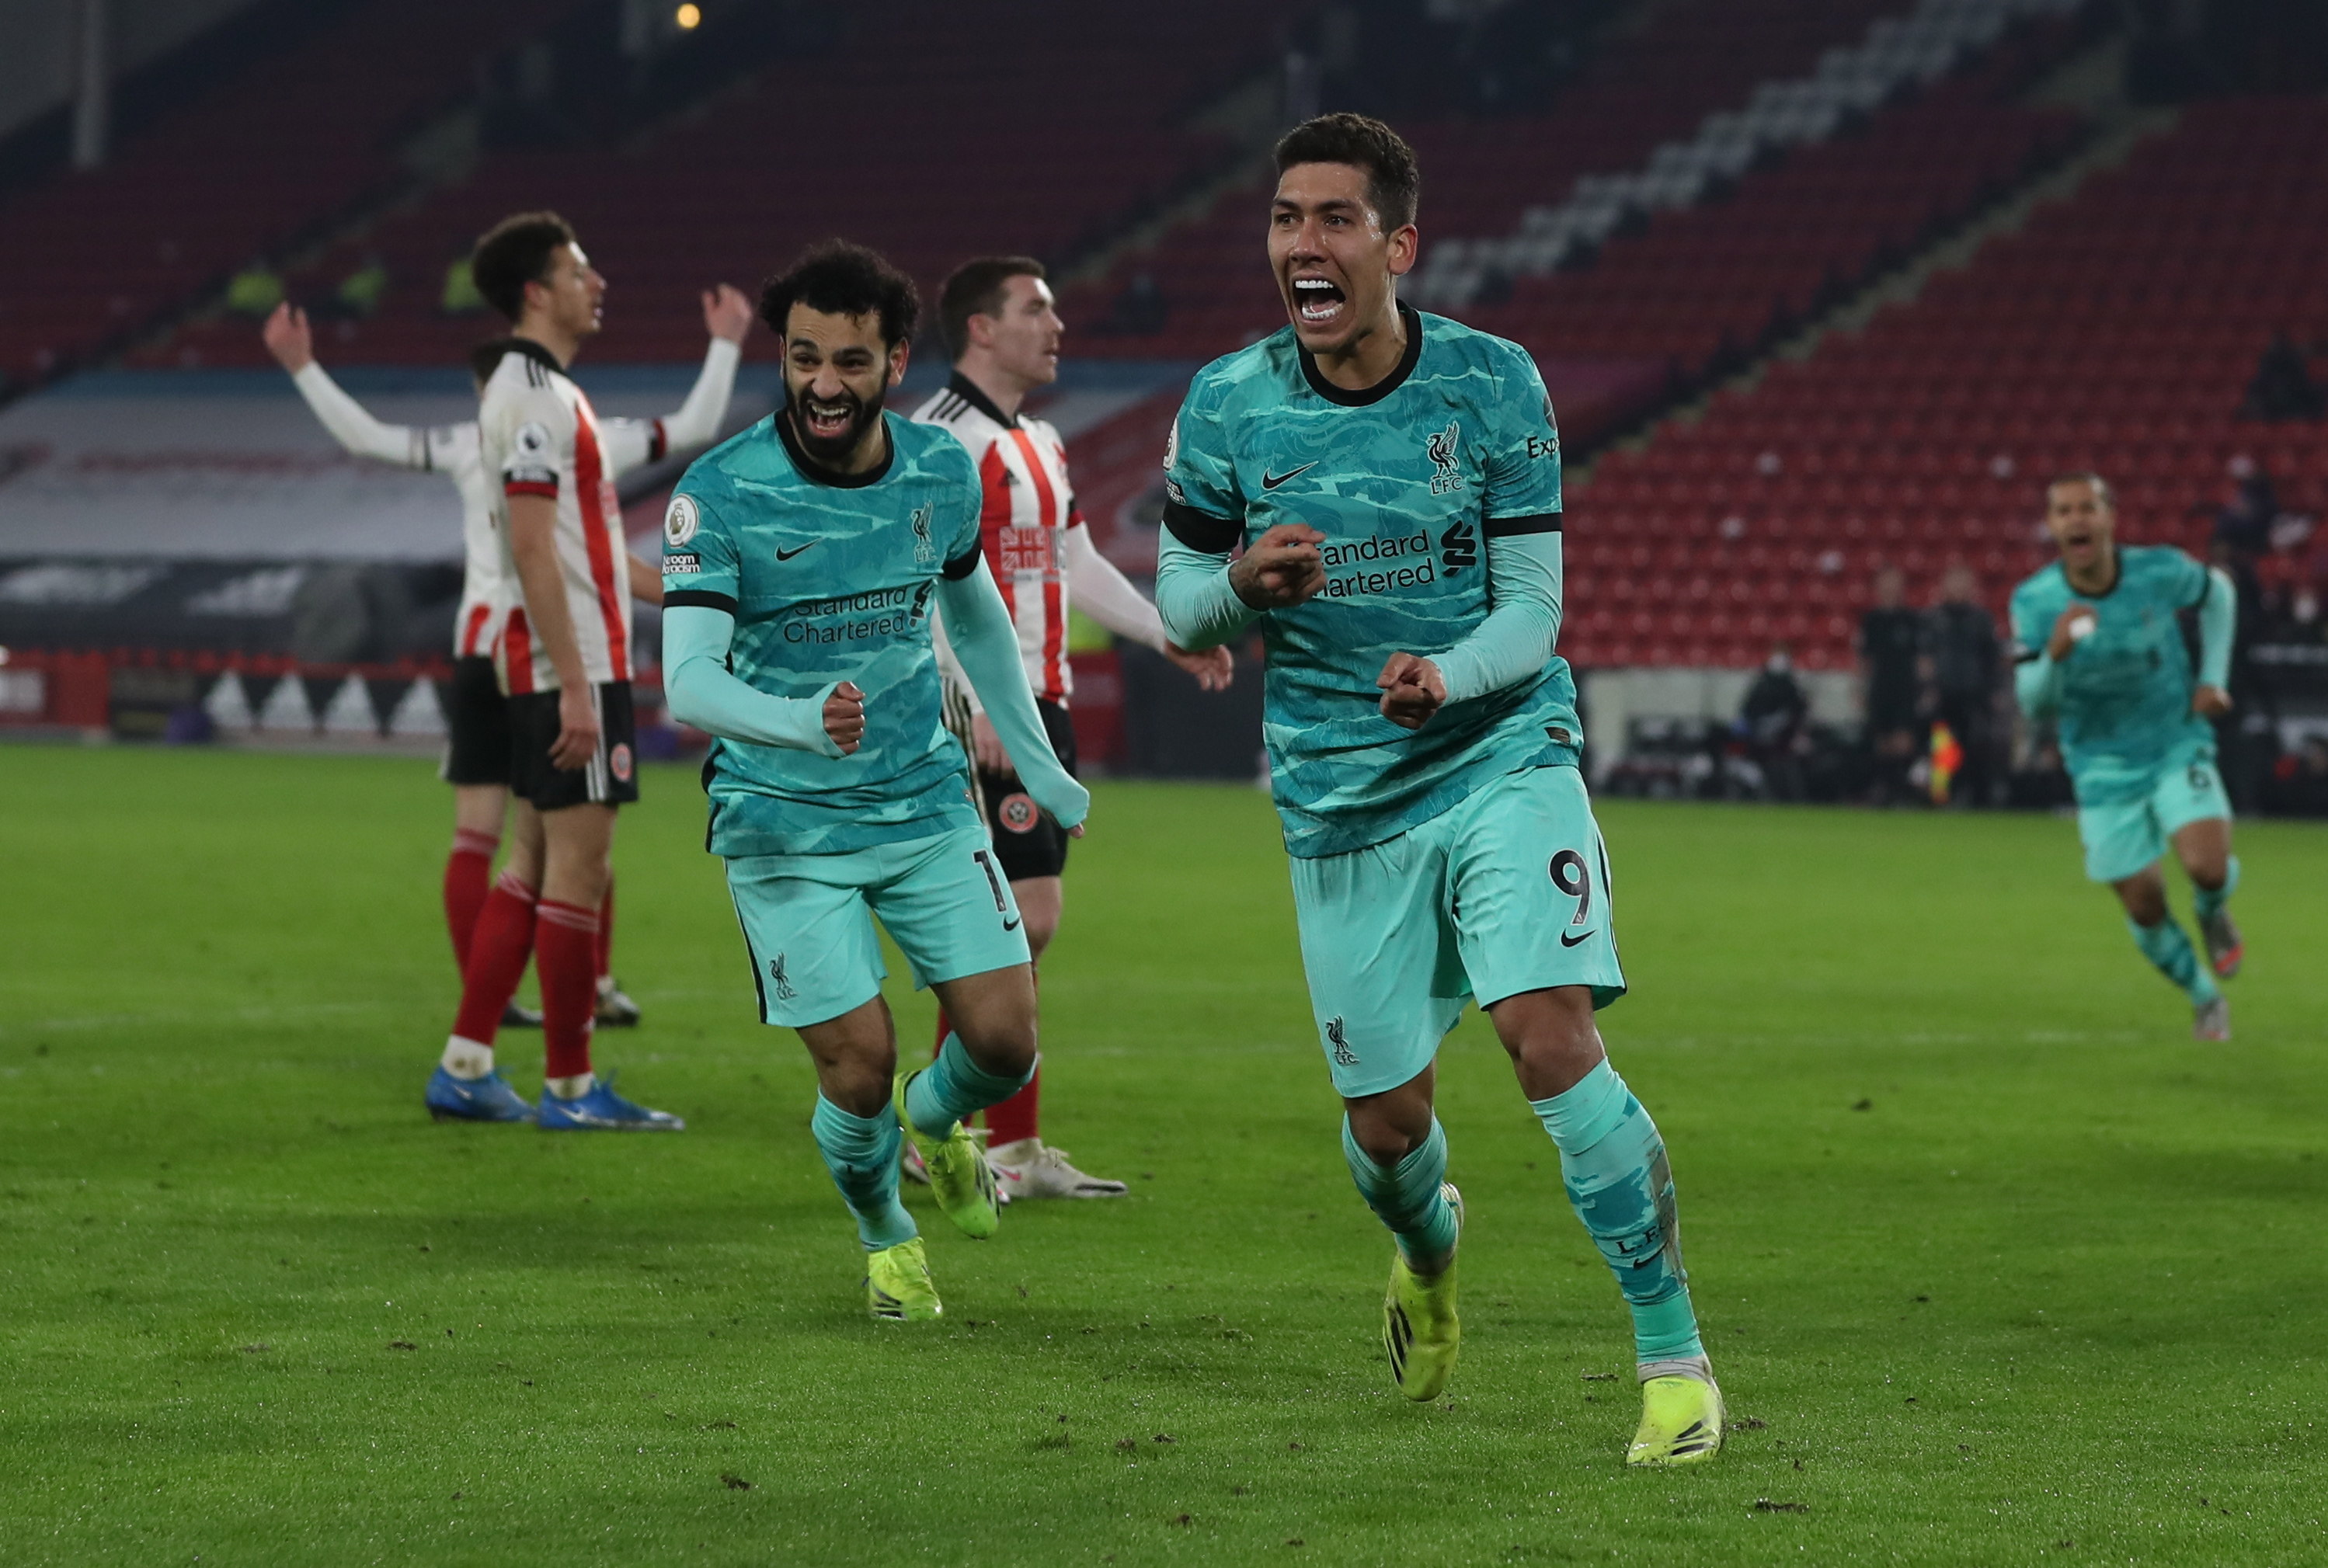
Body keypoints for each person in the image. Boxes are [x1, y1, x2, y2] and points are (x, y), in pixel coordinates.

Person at [1153, 113, 1720, 1467]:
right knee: (1386, 1128)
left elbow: (1533, 608)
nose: (1303, 241)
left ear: (1396, 244)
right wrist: (1238, 585)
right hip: (1341, 806)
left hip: (1497, 754)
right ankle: (1429, 1244)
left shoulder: (1493, 385)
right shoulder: (1226, 403)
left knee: (1547, 1027)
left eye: (1334, 218)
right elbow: (1178, 604)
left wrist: (1450, 677)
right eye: (1286, 217)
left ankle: (1674, 1359)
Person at [660, 241, 1088, 1319]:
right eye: (804, 357)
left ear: (895, 361)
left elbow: (976, 610)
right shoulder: (720, 492)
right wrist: (798, 722)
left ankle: (934, 1118)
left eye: (849, 361)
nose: (822, 383)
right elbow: (688, 682)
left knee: (1003, 1040)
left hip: (923, 800)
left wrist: (1035, 756)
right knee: (855, 1063)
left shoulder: (940, 470)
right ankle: (885, 1233)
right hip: (779, 818)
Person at [261, 283, 750, 1042]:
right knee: (579, 839)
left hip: (479, 647)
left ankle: (483, 1016)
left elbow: (364, 437)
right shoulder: (576, 428)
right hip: (552, 653)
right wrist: (724, 342)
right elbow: (694, 425)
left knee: (493, 843)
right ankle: (583, 1005)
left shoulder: (465, 441)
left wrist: (302, 369)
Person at [910, 256, 1233, 1200]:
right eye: (1035, 309)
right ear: (980, 328)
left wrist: (1163, 634)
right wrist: (976, 704)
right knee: (1015, 922)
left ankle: (1007, 1147)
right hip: (985, 708)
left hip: (1044, 700)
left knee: (1017, 930)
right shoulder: (942, 442)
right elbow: (927, 582)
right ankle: (938, 1125)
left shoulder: (1041, 441)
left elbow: (1075, 560)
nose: (1057, 325)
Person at [429, 210, 684, 1129]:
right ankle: (573, 1088)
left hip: (558, 654)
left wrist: (693, 591)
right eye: (581, 270)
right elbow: (535, 551)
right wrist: (577, 684)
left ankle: (465, 1064)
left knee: (532, 861)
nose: (598, 284)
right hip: (567, 663)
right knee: (579, 867)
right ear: (537, 292)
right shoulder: (536, 398)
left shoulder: (538, 390)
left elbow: (589, 550)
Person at [2010, 472, 2243, 1041]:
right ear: (2051, 526)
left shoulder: (2157, 571)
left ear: (2110, 517)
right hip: (2100, 769)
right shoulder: (2035, 601)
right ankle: (2203, 996)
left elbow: (2219, 594)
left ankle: (2212, 909)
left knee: (2205, 865)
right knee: (2143, 904)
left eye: (2087, 508)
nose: (2076, 520)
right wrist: (2055, 656)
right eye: (2063, 511)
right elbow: (2033, 703)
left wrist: (2211, 676)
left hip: (2172, 742)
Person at [1923, 562, 2000, 807]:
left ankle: (1974, 798)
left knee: (1975, 748)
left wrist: (1993, 692)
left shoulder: (1981, 620)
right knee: (1944, 751)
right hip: (1944, 696)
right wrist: (1928, 688)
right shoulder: (1933, 619)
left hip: (1974, 696)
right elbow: (1925, 658)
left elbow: (1992, 659)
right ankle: (1941, 797)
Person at [1860, 564, 1923, 804]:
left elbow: (1920, 659)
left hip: (1905, 688)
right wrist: (1861, 688)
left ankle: (1902, 791)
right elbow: (1865, 658)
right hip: (1880, 687)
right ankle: (1883, 791)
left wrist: (1923, 689)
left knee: (1903, 742)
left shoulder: (1911, 619)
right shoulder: (1872, 620)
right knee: (1882, 741)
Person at [1737, 645, 1808, 801]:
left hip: (1784, 739)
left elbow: (1798, 712)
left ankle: (1787, 796)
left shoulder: (1792, 686)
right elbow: (1748, 709)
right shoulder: (1761, 684)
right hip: (1756, 737)